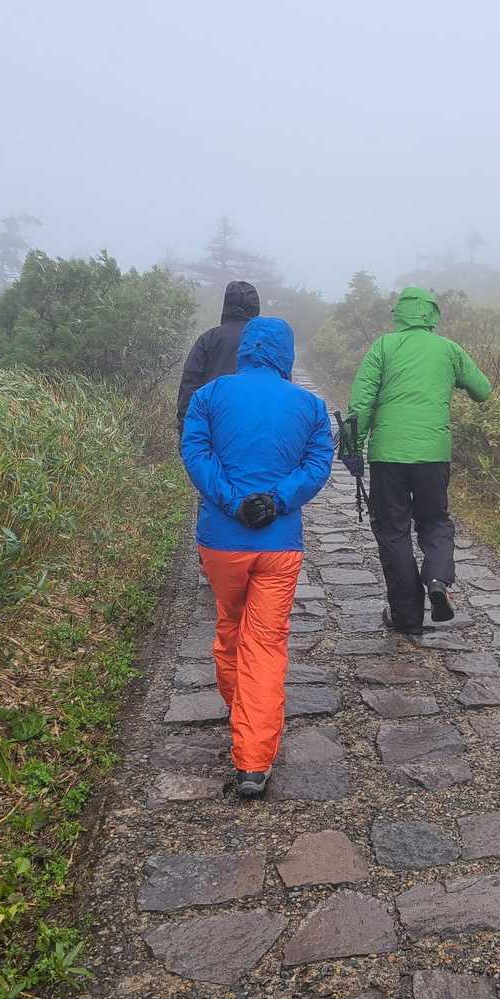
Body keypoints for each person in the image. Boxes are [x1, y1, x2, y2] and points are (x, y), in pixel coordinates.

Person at [181, 316, 333, 799]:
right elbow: (317, 464)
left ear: (246, 348)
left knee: (230, 624)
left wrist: (233, 502)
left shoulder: (209, 396)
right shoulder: (310, 406)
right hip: (278, 544)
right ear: (286, 353)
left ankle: (240, 708)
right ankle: (253, 760)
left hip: (221, 541)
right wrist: (277, 500)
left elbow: (196, 453)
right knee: (265, 643)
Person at [346, 287, 491, 636]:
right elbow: (483, 390)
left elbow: (361, 402)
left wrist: (352, 447)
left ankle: (407, 616)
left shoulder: (383, 346)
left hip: (388, 456)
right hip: (433, 455)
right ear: (432, 315)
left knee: (393, 531)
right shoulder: (449, 350)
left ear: (399, 314)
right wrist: (451, 379)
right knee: (435, 520)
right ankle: (438, 579)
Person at [176, 280, 261, 439]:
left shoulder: (208, 339)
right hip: (256, 432)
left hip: (212, 431)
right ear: (256, 307)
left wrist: (186, 434)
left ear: (226, 306)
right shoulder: (266, 341)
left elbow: (189, 386)